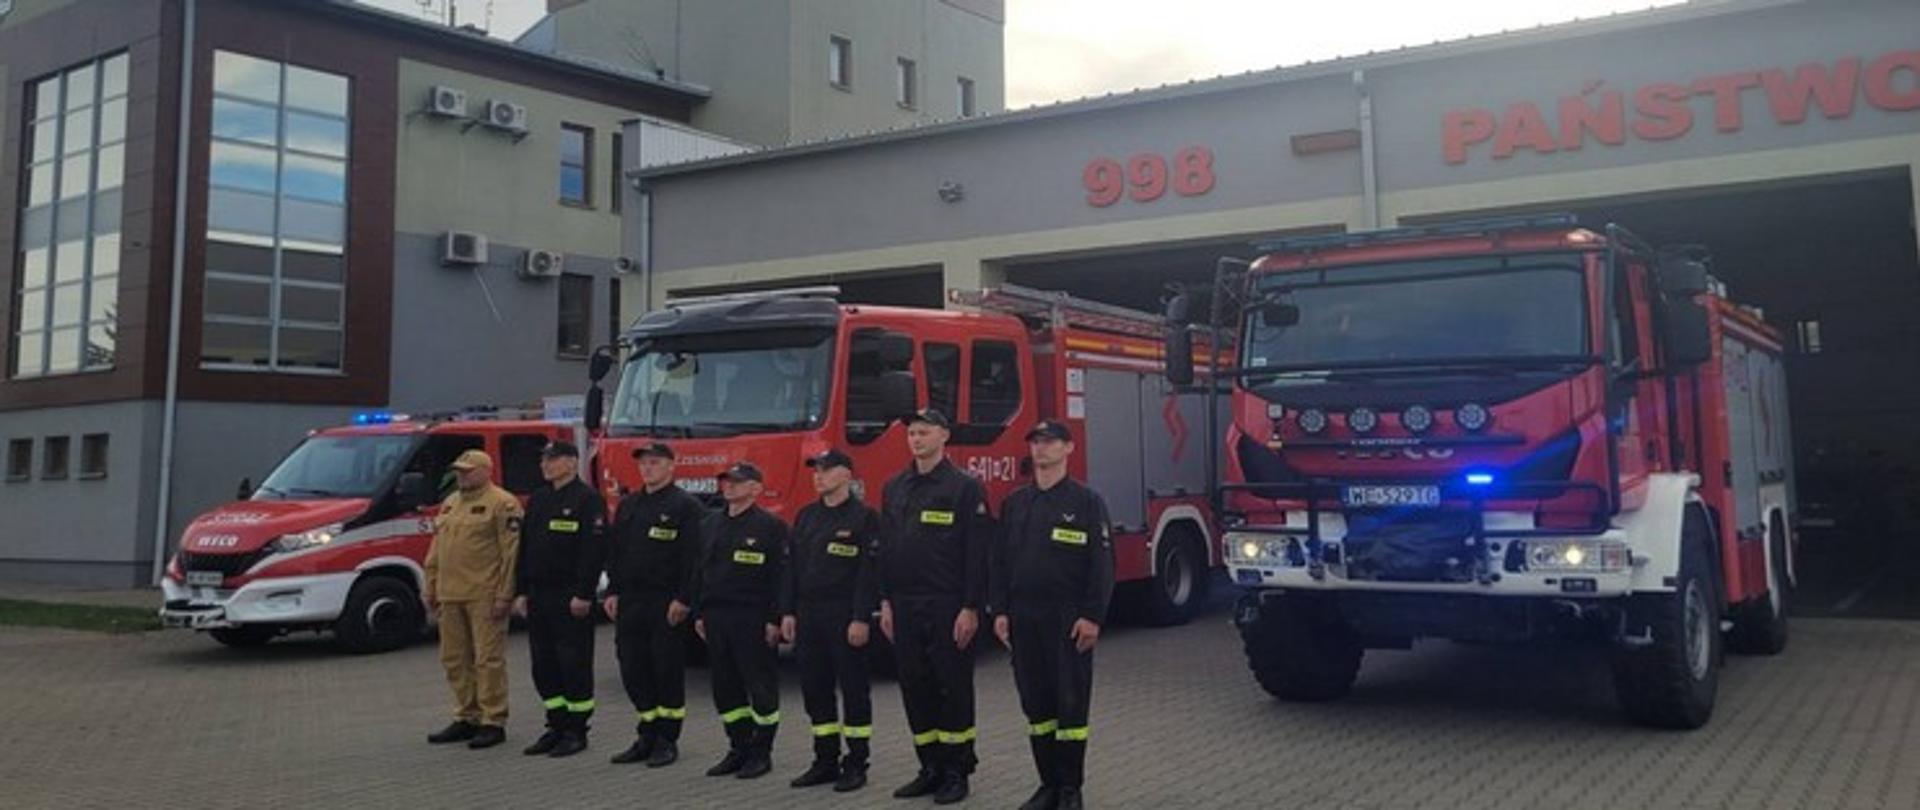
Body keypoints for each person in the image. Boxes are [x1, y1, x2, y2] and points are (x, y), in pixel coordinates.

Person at [992, 421, 1115, 810]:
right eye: (1035, 442)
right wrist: (1000, 611)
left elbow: (1102, 564)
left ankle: (1070, 789)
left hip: (1066, 619)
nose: (1041, 449)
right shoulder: (1016, 503)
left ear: (1068, 448)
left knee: (1071, 706)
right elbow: (1000, 562)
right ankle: (1047, 785)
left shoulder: (1086, 502)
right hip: (1023, 618)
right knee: (1037, 706)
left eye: (1049, 442)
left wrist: (1092, 616)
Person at [879, 409, 992, 804]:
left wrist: (971, 607)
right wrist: (886, 603)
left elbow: (977, 554)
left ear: (944, 436)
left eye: (924, 432)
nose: (916, 439)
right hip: (905, 605)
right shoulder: (894, 487)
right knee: (915, 686)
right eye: (911, 432)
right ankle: (929, 767)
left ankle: (957, 771)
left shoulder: (965, 488)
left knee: (952, 687)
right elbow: (886, 551)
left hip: (947, 604)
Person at [780, 449, 882, 792]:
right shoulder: (807, 516)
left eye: (826, 470)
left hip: (844, 614)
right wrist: (788, 612)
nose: (818, 476)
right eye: (816, 470)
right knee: (815, 688)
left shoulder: (864, 518)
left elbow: (869, 573)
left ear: (846, 475)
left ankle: (856, 763)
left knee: (853, 688)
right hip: (809, 614)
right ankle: (825, 760)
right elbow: (792, 569)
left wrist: (860, 617)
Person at [603, 442, 707, 767]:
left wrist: (684, 599)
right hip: (632, 600)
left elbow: (695, 560)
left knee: (666, 669)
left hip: (665, 601)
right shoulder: (629, 504)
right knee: (633, 665)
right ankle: (646, 731)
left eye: (655, 462)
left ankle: (667, 738)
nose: (647, 468)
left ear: (671, 466)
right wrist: (613, 591)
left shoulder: (686, 506)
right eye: (644, 463)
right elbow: (616, 552)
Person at [691, 462, 789, 780]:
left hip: (753, 618)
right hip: (717, 616)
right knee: (726, 688)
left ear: (756, 488)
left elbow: (780, 578)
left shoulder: (770, 527)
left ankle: (762, 752)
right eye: (725, 482)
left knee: (760, 687)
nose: (729, 487)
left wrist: (774, 619)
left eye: (737, 482)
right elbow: (700, 572)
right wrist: (700, 612)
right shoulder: (709, 524)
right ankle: (738, 747)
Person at [423, 449, 523, 750]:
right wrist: (431, 587)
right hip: (450, 593)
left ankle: (493, 720)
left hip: (484, 594)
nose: (461, 475)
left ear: (486, 471)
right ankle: (467, 715)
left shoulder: (502, 503)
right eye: (458, 470)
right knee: (454, 659)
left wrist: (506, 593)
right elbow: (436, 551)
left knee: (487, 659)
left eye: (468, 470)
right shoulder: (451, 503)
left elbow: (510, 554)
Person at [513, 441, 606, 758]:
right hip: (539, 594)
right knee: (544, 663)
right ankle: (556, 724)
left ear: (571, 462)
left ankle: (577, 730)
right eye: (544, 459)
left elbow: (592, 552)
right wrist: (521, 589)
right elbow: (525, 548)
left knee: (573, 663)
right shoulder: (539, 499)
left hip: (570, 596)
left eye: (553, 459)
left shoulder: (587, 500)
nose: (546, 465)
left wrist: (584, 592)